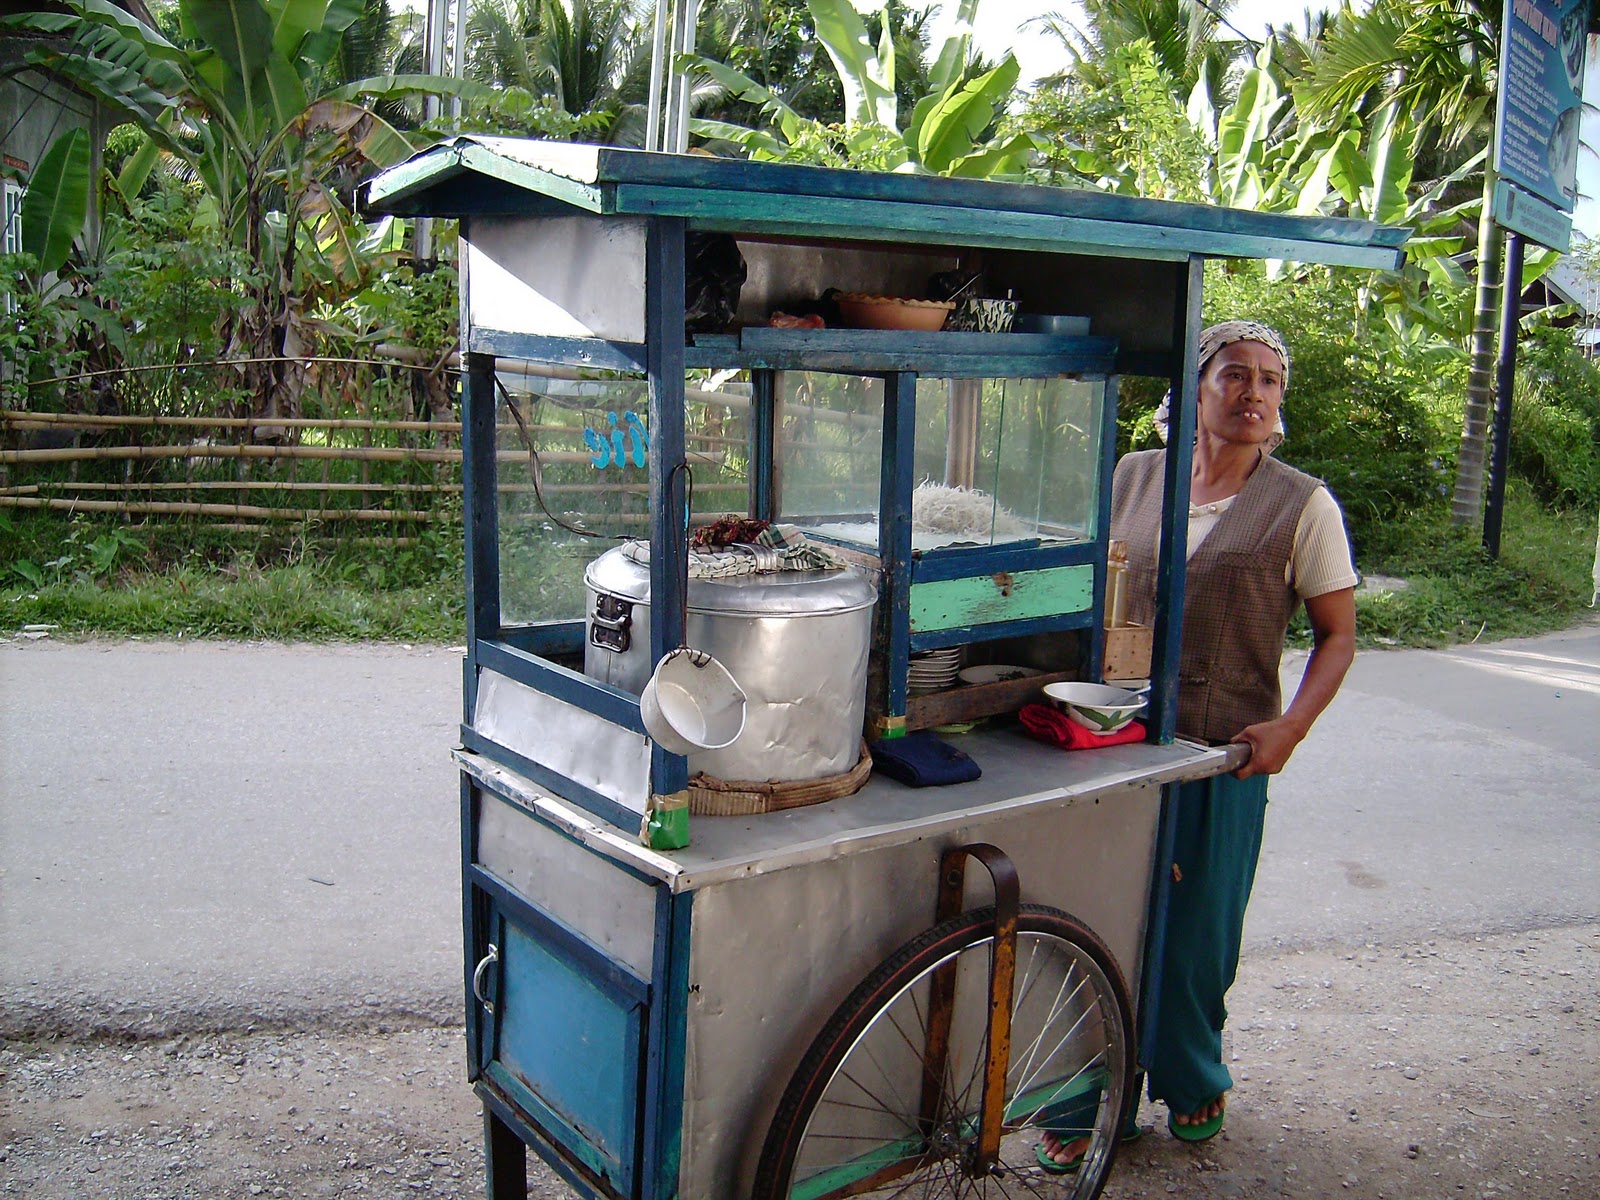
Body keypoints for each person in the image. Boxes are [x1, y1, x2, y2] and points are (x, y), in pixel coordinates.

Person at [1039, 320, 1358, 1170]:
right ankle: (1085, 1097)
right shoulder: (1133, 476)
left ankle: (1191, 1075)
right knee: (1093, 918)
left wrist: (1290, 726)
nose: (1255, 394)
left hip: (1224, 752)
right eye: (1236, 376)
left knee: (1196, 937)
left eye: (1270, 381)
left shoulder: (1303, 504)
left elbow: (1337, 636)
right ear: (1196, 387)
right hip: (1110, 739)